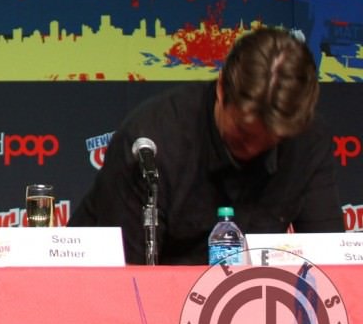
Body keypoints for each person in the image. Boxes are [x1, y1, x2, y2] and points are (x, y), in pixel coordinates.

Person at [70, 26, 343, 265]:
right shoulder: (152, 142)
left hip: (250, 301)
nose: (252, 150)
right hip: (142, 297)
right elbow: (123, 281)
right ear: (222, 88)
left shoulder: (306, 138)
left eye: (270, 141)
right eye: (243, 134)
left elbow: (330, 265)